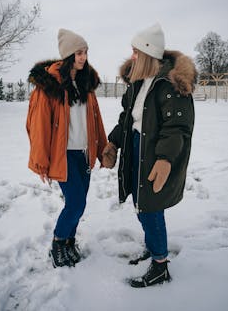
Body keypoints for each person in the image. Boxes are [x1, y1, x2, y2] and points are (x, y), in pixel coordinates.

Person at [102, 23, 196, 287]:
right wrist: (113, 143)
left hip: (154, 153)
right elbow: (127, 118)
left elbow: (177, 128)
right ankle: (154, 247)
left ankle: (159, 265)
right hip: (136, 147)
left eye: (135, 52)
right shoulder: (137, 82)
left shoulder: (169, 84)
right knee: (141, 203)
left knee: (151, 208)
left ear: (147, 53)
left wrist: (165, 159)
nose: (131, 56)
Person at [26, 28, 107, 268]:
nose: (83, 57)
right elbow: (39, 127)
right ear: (67, 56)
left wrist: (102, 149)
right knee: (76, 203)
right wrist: (41, 161)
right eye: (78, 53)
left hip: (84, 153)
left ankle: (69, 242)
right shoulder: (50, 87)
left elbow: (95, 120)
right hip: (64, 154)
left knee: (79, 200)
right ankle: (58, 242)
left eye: (85, 52)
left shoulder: (85, 84)